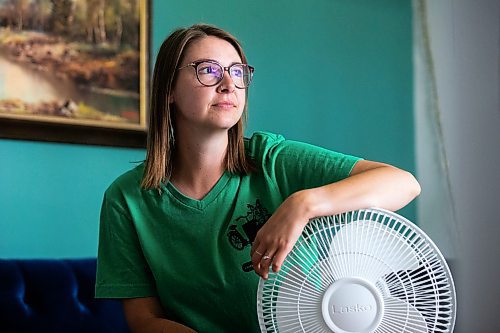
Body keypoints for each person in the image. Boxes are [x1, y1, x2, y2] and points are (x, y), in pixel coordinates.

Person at [95, 24, 421, 333]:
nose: (229, 84)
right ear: (169, 90)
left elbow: (402, 183)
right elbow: (143, 318)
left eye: (237, 72)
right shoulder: (126, 199)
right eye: (208, 70)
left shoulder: (272, 160)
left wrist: (303, 204)